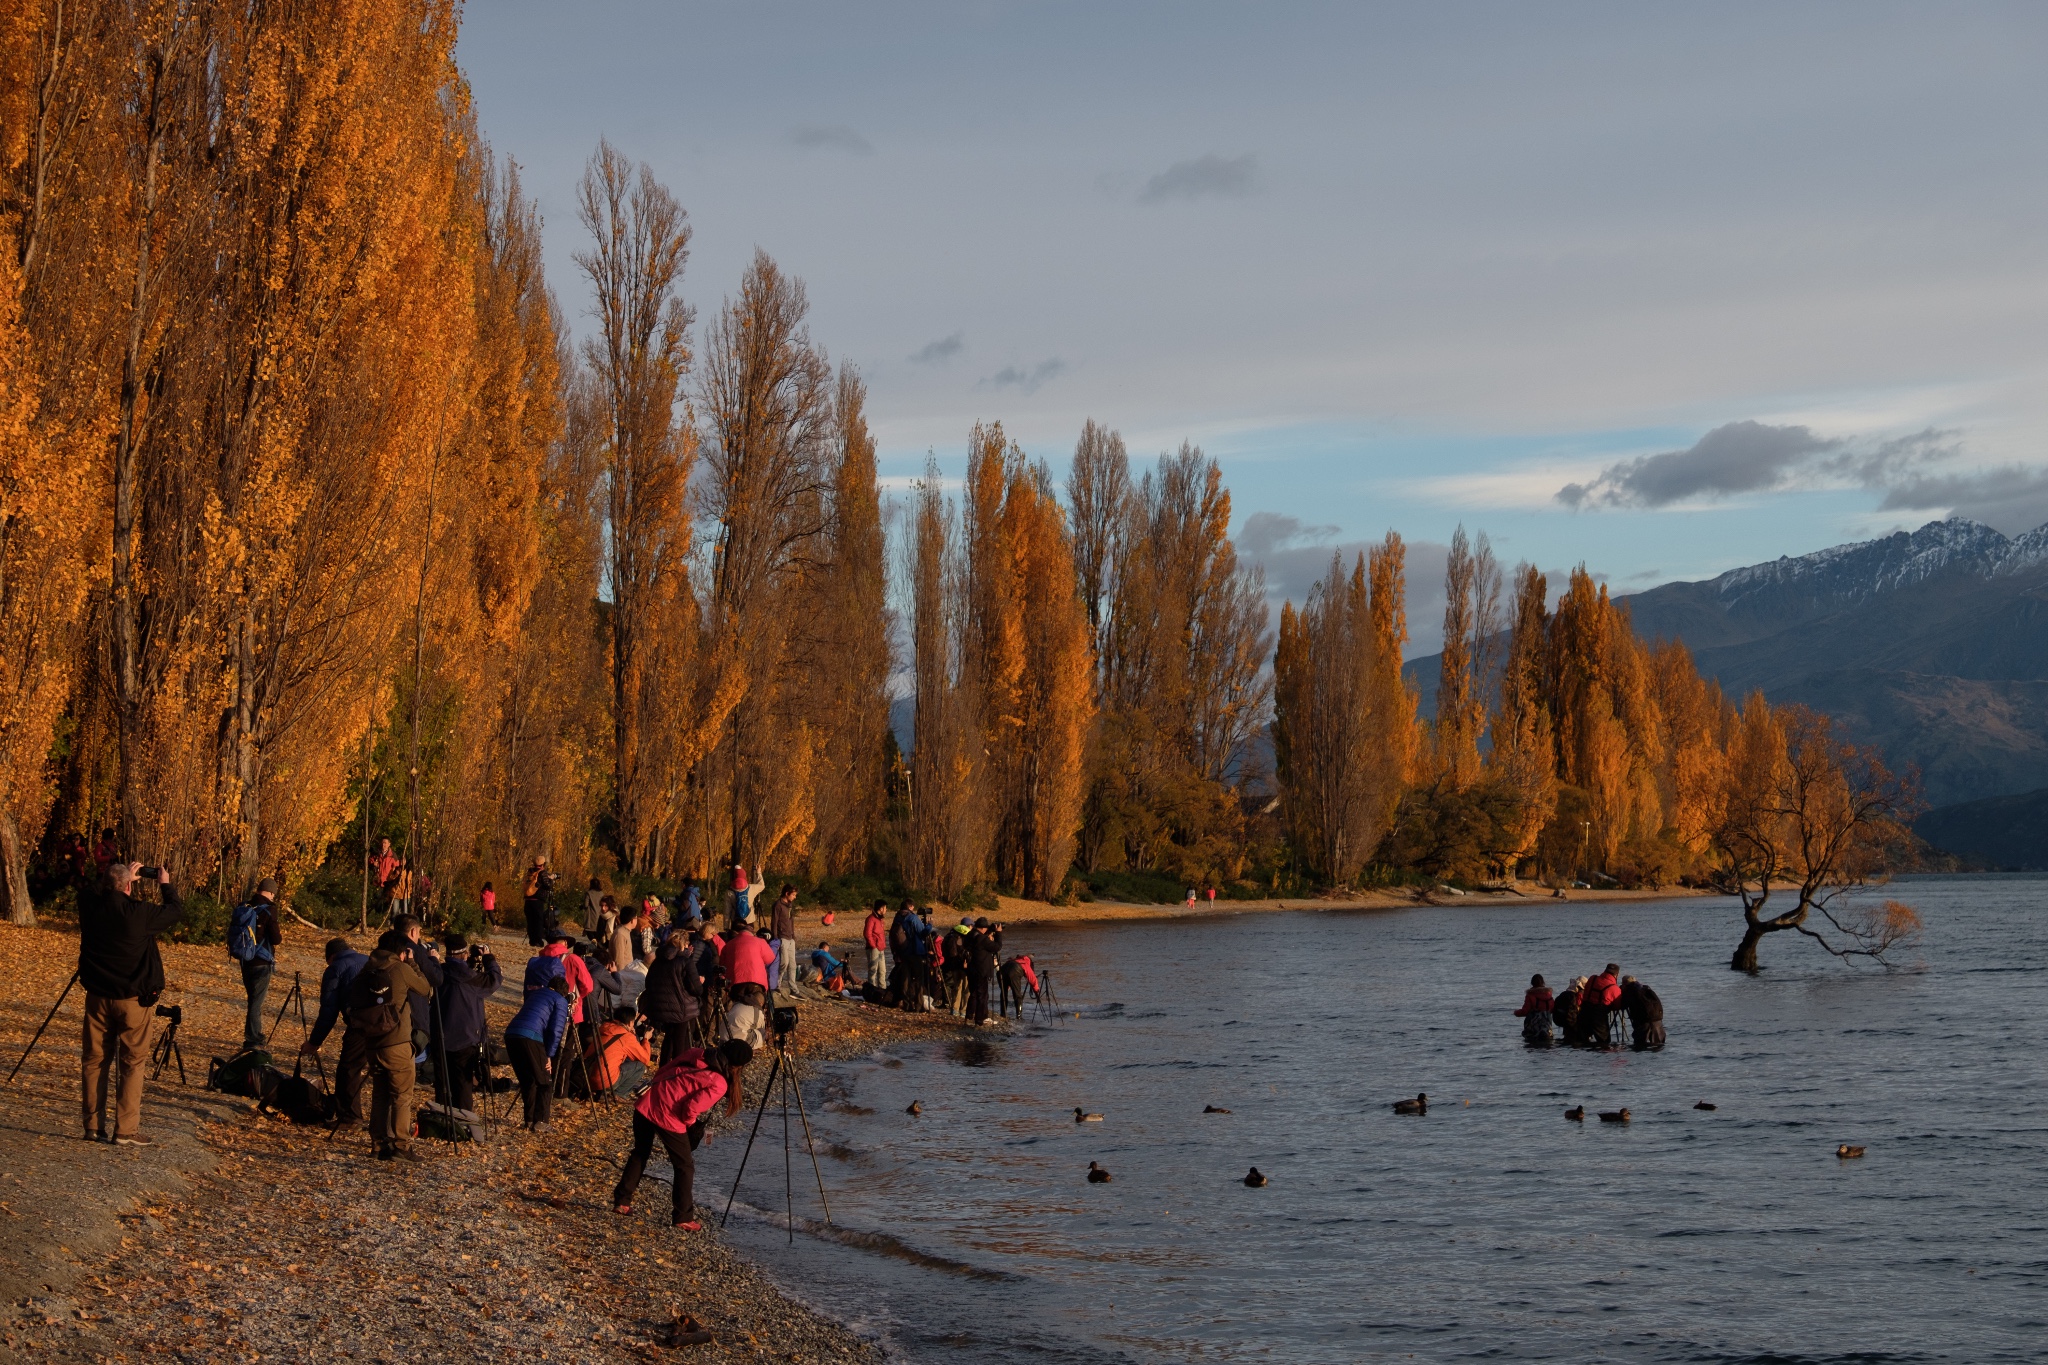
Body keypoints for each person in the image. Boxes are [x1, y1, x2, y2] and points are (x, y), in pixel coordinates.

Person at [79, 861, 183, 1145]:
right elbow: (175, 910)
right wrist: (164, 882)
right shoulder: (140, 914)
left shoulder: (90, 907)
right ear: (128, 886)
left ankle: (93, 1126)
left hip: (98, 997)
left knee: (94, 1060)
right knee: (132, 1063)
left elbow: (87, 890)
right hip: (133, 1000)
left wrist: (120, 878)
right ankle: (125, 1130)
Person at [612, 1039, 753, 1230]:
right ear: (738, 1066)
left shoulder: (697, 1053)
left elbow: (664, 1070)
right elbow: (690, 1109)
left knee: (640, 1152)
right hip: (668, 1116)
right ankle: (682, 1216)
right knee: (684, 1166)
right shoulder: (719, 1083)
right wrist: (690, 1127)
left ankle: (622, 1201)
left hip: (647, 1102)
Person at [340, 937, 433, 1160]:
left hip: (372, 1044)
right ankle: (402, 1145)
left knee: (380, 1095)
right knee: (402, 1096)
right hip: (397, 1042)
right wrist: (412, 963)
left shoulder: (366, 969)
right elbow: (425, 988)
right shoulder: (399, 968)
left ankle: (378, 1144)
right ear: (401, 952)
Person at [301, 937, 371, 1123]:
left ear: (331, 957)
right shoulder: (366, 959)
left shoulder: (335, 969)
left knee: (348, 1070)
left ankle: (350, 1117)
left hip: (360, 1023)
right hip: (385, 1022)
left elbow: (328, 1012)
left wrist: (314, 1042)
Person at [432, 933, 501, 1110]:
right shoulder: (470, 977)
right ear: (464, 954)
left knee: (443, 1082)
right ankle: (463, 1120)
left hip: (440, 1034)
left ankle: (441, 1117)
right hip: (466, 1037)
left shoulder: (439, 971)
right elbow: (494, 981)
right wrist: (488, 958)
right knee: (463, 1083)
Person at [504, 976, 572, 1130]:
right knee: (545, 1081)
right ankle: (541, 1121)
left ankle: (529, 1120)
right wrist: (548, 1055)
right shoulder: (560, 1000)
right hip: (531, 1037)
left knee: (528, 1080)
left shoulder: (537, 994)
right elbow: (556, 1031)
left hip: (512, 1034)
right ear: (564, 992)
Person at [226, 877, 283, 1050]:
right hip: (261, 962)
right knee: (256, 1003)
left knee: (253, 999)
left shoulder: (245, 906)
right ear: (271, 892)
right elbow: (276, 939)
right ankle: (253, 1038)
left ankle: (253, 1034)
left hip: (245, 960)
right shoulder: (269, 910)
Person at [377, 915, 444, 1060]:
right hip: (411, 1017)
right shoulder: (412, 950)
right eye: (419, 932)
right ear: (413, 931)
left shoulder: (386, 946)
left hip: (383, 1018)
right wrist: (433, 959)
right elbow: (436, 979)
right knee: (409, 1062)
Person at [640, 934, 701, 1065]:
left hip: (660, 1007)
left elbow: (648, 983)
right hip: (681, 1008)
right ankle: (677, 1068)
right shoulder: (685, 961)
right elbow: (697, 990)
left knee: (669, 1037)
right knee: (680, 1040)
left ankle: (664, 1066)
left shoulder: (657, 961)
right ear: (683, 945)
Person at [588, 1006, 653, 1093]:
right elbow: (645, 1059)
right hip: (604, 1081)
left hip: (587, 1077)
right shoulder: (626, 1037)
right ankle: (619, 1093)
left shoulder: (604, 1028)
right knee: (640, 1067)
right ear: (630, 1023)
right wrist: (645, 1039)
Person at [965, 917, 1003, 1025]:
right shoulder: (982, 939)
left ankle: (969, 1015)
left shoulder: (970, 935)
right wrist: (999, 934)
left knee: (973, 993)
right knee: (982, 995)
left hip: (971, 968)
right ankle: (980, 1019)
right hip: (981, 970)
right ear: (983, 928)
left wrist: (990, 931)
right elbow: (997, 947)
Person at [1620, 975, 1665, 1052]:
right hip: (1658, 1019)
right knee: (1658, 1046)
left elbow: (1623, 1005)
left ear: (1625, 983)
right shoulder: (1645, 988)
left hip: (1645, 1021)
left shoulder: (1630, 991)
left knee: (1639, 1046)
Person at [522, 855, 558, 947]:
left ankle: (532, 940)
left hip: (528, 900)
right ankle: (538, 941)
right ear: (543, 864)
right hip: (537, 901)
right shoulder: (542, 873)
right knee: (538, 921)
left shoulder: (530, 872)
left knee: (530, 921)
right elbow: (548, 886)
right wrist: (551, 879)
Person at [769, 885, 798, 995]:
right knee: (784, 963)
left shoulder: (789, 905)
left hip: (790, 938)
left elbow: (791, 921)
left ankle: (794, 988)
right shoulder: (778, 905)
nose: (795, 897)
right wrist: (776, 938)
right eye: (793, 895)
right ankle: (777, 983)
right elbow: (774, 922)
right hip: (782, 938)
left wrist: (793, 935)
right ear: (787, 893)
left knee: (792, 965)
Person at [1514, 973, 1554, 1046]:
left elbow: (1525, 1011)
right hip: (1547, 1025)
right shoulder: (1549, 995)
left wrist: (1516, 1013)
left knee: (1532, 1044)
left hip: (1533, 1026)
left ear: (1532, 983)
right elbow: (1552, 1008)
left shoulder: (1530, 995)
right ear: (1543, 982)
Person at [863, 900, 889, 989]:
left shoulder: (880, 919)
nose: (886, 909)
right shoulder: (871, 919)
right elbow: (867, 934)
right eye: (885, 908)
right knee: (873, 970)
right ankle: (872, 989)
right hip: (873, 948)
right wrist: (873, 945)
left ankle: (882, 989)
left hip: (881, 948)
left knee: (882, 971)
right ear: (880, 908)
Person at [729, 861, 752, 929]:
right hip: (748, 920)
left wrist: (726, 926)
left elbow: (727, 910)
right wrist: (759, 873)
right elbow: (762, 886)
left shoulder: (729, 891)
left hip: (736, 921)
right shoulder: (751, 888)